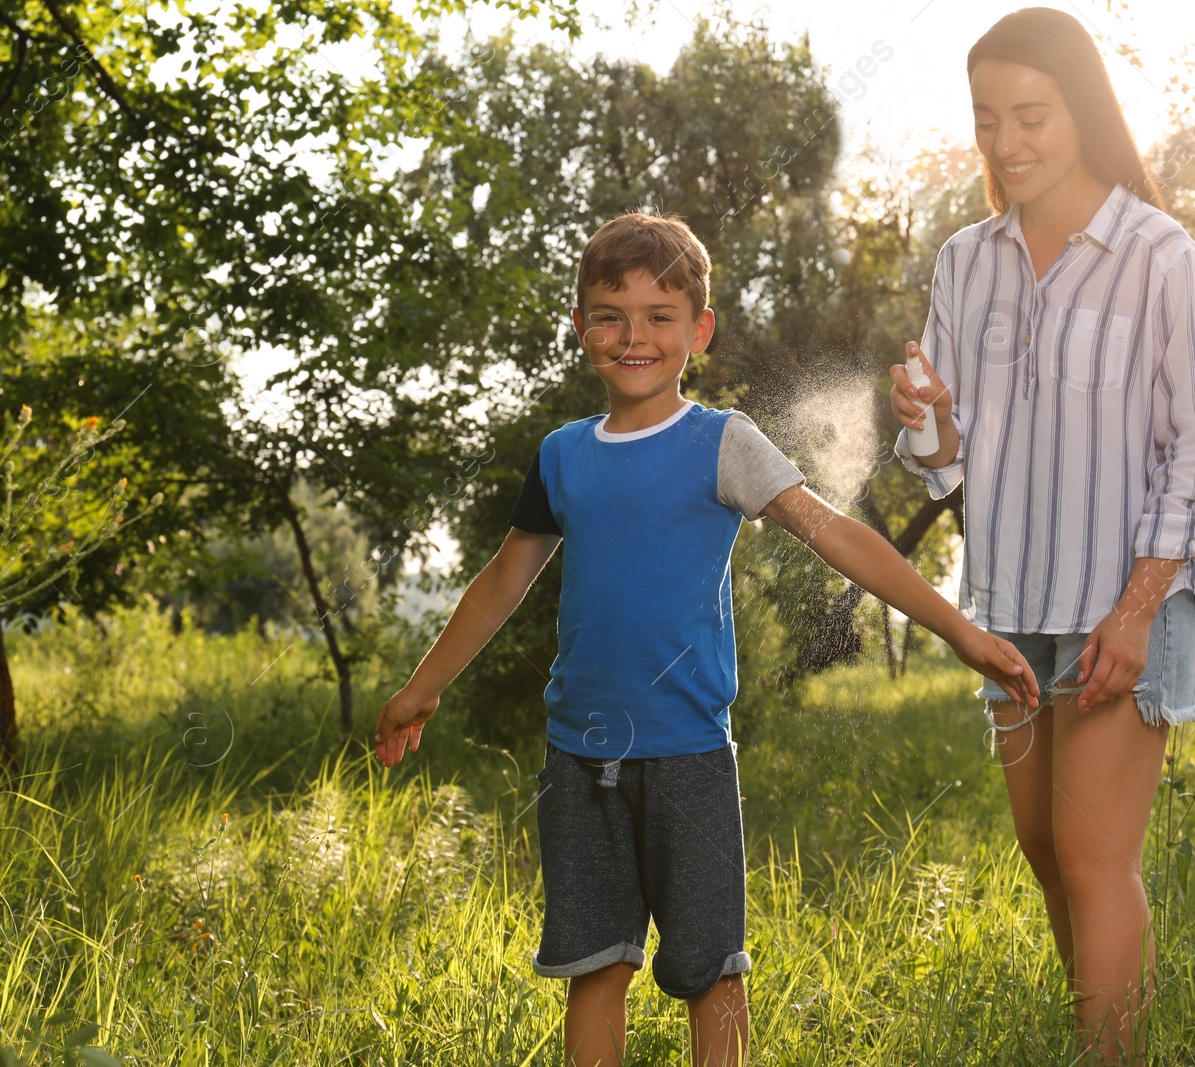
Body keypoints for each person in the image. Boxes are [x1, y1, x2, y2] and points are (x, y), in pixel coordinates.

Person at [374, 211, 1040, 1067]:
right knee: (595, 965)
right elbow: (504, 579)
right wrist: (422, 686)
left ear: (700, 330)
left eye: (659, 315)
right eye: (610, 315)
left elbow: (834, 532)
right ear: (581, 329)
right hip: (579, 759)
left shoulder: (723, 442)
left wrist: (960, 631)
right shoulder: (563, 455)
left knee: (713, 972)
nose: (634, 336)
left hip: (688, 755)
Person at [887, 8, 1195, 1064]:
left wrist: (1135, 610)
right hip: (1010, 604)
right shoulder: (964, 261)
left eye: (1030, 115)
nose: (1006, 141)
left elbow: (1193, 452)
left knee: (1090, 852)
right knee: (1044, 850)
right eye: (988, 119)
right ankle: (1113, 1040)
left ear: (1082, 110)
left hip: (1125, 600)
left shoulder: (1158, 254)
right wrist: (930, 416)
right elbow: (946, 458)